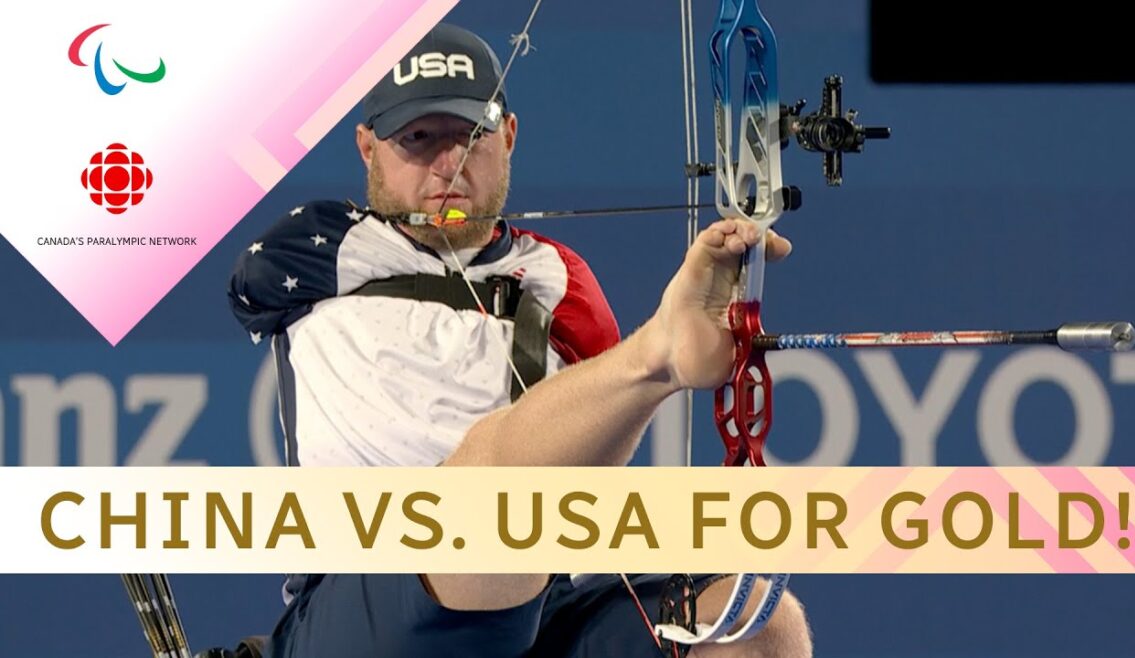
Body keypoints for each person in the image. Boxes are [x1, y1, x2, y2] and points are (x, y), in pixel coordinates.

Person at [229, 22, 812, 658]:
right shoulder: (317, 250)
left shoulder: (560, 282)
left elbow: (586, 479)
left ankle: (659, 358)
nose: (448, 165)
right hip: (369, 599)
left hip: (536, 599)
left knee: (755, 625)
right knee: (489, 495)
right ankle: (659, 353)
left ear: (508, 136)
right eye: (418, 139)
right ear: (368, 148)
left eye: (471, 135)